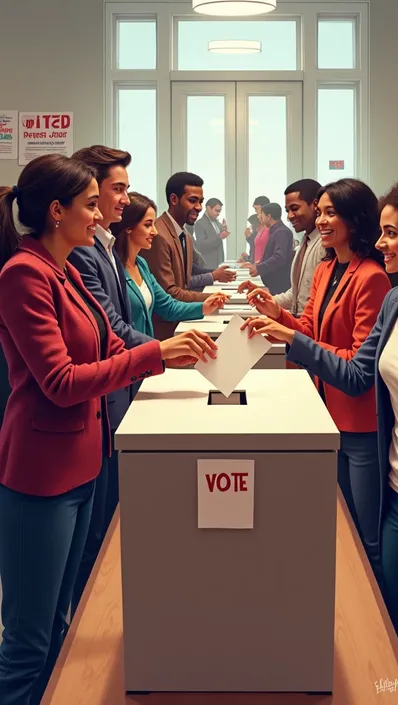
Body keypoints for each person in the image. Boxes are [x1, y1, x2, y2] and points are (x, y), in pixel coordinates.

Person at [244, 171, 398, 705]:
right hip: (396, 503)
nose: (381, 243)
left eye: (392, 234)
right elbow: (355, 374)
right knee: (397, 649)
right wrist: (290, 336)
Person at [0, 154, 216, 705]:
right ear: (56, 211)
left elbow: (111, 345)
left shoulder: (68, 268)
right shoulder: (24, 274)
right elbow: (61, 381)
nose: (101, 217)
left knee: (60, 620)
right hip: (41, 472)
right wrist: (157, 353)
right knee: (27, 637)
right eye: (92, 205)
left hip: (82, 461)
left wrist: (167, 356)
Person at [244, 179, 391, 583]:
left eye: (331, 213)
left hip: (360, 424)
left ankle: (385, 634)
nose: (322, 220)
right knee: (340, 523)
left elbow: (360, 364)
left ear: (356, 219)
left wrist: (294, 338)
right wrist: (277, 314)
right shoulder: (327, 268)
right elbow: (311, 329)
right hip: (325, 412)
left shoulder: (372, 277)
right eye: (320, 212)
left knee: (368, 537)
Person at [67, 145, 152, 614]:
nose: (124, 199)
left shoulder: (100, 245)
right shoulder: (81, 252)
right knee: (91, 537)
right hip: (100, 404)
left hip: (115, 398)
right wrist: (162, 353)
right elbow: (111, 329)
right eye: (117, 189)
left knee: (101, 528)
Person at [112, 192, 229, 337]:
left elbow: (168, 307)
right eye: (148, 225)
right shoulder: (113, 268)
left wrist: (204, 307)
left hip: (146, 349)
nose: (155, 232)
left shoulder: (141, 265)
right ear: (129, 227)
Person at [141, 172, 236, 340]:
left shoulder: (184, 234)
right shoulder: (159, 235)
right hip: (164, 330)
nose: (199, 207)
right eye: (192, 201)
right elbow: (170, 292)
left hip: (181, 321)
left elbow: (187, 273)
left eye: (200, 202)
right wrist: (212, 298)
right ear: (174, 199)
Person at [238, 179, 325, 318]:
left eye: (295, 209)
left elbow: (315, 303)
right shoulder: (306, 240)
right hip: (299, 321)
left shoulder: (323, 244)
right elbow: (296, 295)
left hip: (309, 325)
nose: (289, 216)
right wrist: (265, 300)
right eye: (287, 210)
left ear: (315, 205)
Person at [243, 202, 293, 295]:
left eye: (262, 214)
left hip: (279, 285)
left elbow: (279, 257)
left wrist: (260, 268)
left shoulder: (281, 232)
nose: (260, 217)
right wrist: (262, 261)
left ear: (269, 216)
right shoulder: (274, 230)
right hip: (273, 284)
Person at [194, 197, 230, 270]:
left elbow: (217, 236)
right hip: (207, 264)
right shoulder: (200, 223)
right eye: (216, 210)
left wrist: (223, 230)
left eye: (219, 211)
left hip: (219, 263)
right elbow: (201, 245)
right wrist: (219, 237)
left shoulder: (217, 223)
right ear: (208, 208)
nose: (218, 213)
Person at [239, 196, 270, 263]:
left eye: (256, 208)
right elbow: (256, 246)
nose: (256, 213)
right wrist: (248, 258)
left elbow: (262, 245)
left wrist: (250, 237)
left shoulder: (269, 226)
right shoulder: (260, 224)